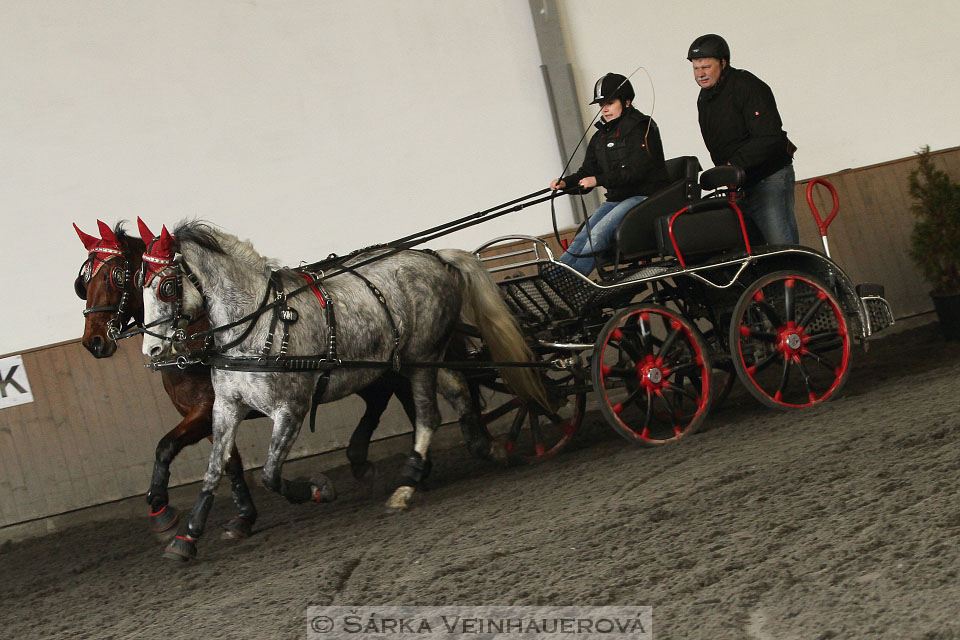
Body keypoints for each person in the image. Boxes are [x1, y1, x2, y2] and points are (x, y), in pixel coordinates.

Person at [550, 72, 669, 276]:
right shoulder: (601, 136)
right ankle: (555, 279)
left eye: (610, 103)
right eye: (601, 105)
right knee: (581, 236)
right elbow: (588, 171)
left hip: (644, 198)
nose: (604, 109)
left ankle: (575, 283)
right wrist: (566, 183)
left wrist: (597, 180)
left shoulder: (642, 128)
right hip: (616, 199)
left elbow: (637, 171)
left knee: (597, 234)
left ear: (627, 101)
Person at [688, 34, 799, 245]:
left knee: (780, 245)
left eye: (706, 67)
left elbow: (769, 137)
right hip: (741, 182)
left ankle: (796, 276)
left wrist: (731, 166)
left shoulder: (746, 86)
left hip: (768, 176)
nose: (700, 74)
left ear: (723, 62)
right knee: (752, 248)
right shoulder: (705, 97)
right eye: (696, 68)